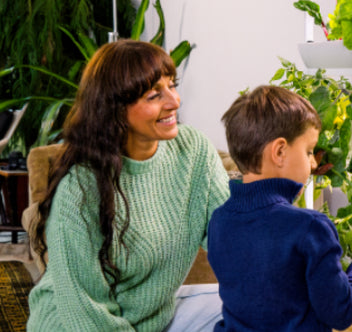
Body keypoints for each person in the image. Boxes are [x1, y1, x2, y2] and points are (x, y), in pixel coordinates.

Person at [27, 39, 230, 331]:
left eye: (172, 85)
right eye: (153, 95)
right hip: (76, 323)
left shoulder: (193, 150)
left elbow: (231, 237)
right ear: (115, 109)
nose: (174, 101)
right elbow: (85, 312)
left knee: (262, 310)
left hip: (153, 317)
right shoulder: (80, 190)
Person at [208, 85, 352, 332]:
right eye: (308, 151)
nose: (314, 163)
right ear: (280, 151)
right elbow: (341, 312)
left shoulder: (220, 219)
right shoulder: (310, 227)